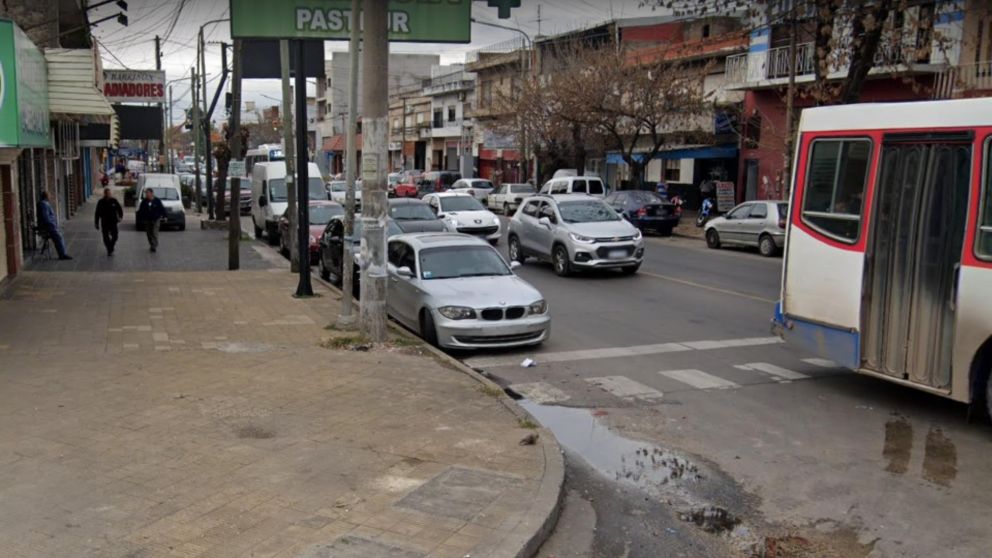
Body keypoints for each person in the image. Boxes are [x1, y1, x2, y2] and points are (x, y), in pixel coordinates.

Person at [36, 192, 72, 260]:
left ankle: (63, 253)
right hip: (48, 227)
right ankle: (62, 254)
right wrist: (53, 226)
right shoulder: (43, 204)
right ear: (46, 197)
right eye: (49, 196)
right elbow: (46, 218)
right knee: (58, 236)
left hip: (50, 226)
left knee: (59, 234)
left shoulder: (44, 204)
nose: (50, 197)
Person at [94, 188, 124, 256]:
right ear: (104, 194)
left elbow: (119, 209)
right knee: (105, 237)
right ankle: (109, 249)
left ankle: (111, 246)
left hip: (113, 222)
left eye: (110, 193)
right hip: (104, 222)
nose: (109, 195)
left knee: (115, 236)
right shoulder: (101, 202)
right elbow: (97, 213)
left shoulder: (114, 201)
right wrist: (96, 223)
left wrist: (120, 217)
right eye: (107, 193)